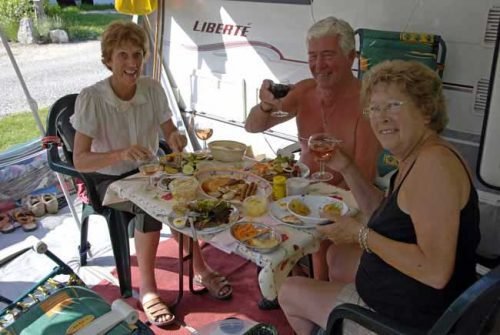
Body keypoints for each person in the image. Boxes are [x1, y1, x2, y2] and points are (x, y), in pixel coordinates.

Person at [278, 60, 480, 334]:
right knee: (337, 256)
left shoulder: (434, 167)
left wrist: (359, 234)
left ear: (425, 111)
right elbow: (382, 214)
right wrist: (347, 166)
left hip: (413, 320)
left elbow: (435, 271)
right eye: (374, 108)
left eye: (394, 105)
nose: (381, 117)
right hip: (413, 294)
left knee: (288, 290)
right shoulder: (418, 156)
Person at [71, 21, 232, 328]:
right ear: (107, 59)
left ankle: (200, 267)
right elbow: (80, 160)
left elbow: (169, 132)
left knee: (186, 194)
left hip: (148, 172)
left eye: (137, 54)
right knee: (152, 207)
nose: (132, 63)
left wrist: (175, 140)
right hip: (109, 180)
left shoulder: (152, 88)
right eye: (122, 55)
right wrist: (120, 153)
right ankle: (148, 288)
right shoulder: (92, 98)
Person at [245, 17, 381, 280]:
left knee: (321, 244)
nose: (319, 66)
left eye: (328, 55)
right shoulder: (305, 91)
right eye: (313, 56)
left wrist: (315, 207)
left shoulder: (368, 103)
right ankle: (288, 276)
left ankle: (315, 289)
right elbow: (252, 126)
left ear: (351, 57)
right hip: (303, 192)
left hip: (347, 199)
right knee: (252, 209)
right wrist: (265, 106)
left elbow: (363, 176)